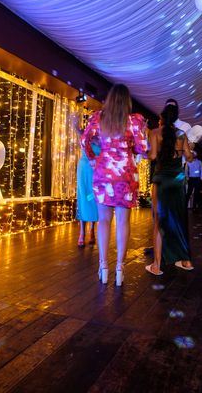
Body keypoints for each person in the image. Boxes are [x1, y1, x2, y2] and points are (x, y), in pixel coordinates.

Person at [82, 84, 147, 286]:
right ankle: (120, 268)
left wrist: (94, 160)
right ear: (127, 100)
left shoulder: (98, 118)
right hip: (126, 175)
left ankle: (103, 266)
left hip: (103, 173)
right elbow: (143, 149)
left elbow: (85, 140)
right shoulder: (134, 120)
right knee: (123, 222)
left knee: (103, 221)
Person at [145, 104, 194, 275]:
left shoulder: (155, 133)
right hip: (178, 180)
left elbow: (151, 156)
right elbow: (189, 157)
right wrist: (191, 151)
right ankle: (186, 261)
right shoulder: (181, 134)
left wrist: (143, 152)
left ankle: (157, 265)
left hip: (162, 180)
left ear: (163, 118)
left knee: (159, 221)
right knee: (179, 218)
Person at [74, 116, 99, 247]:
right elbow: (79, 131)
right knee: (83, 198)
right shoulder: (85, 134)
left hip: (96, 170)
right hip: (83, 168)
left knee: (93, 199)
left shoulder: (102, 136)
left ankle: (92, 230)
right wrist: (75, 125)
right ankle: (82, 232)